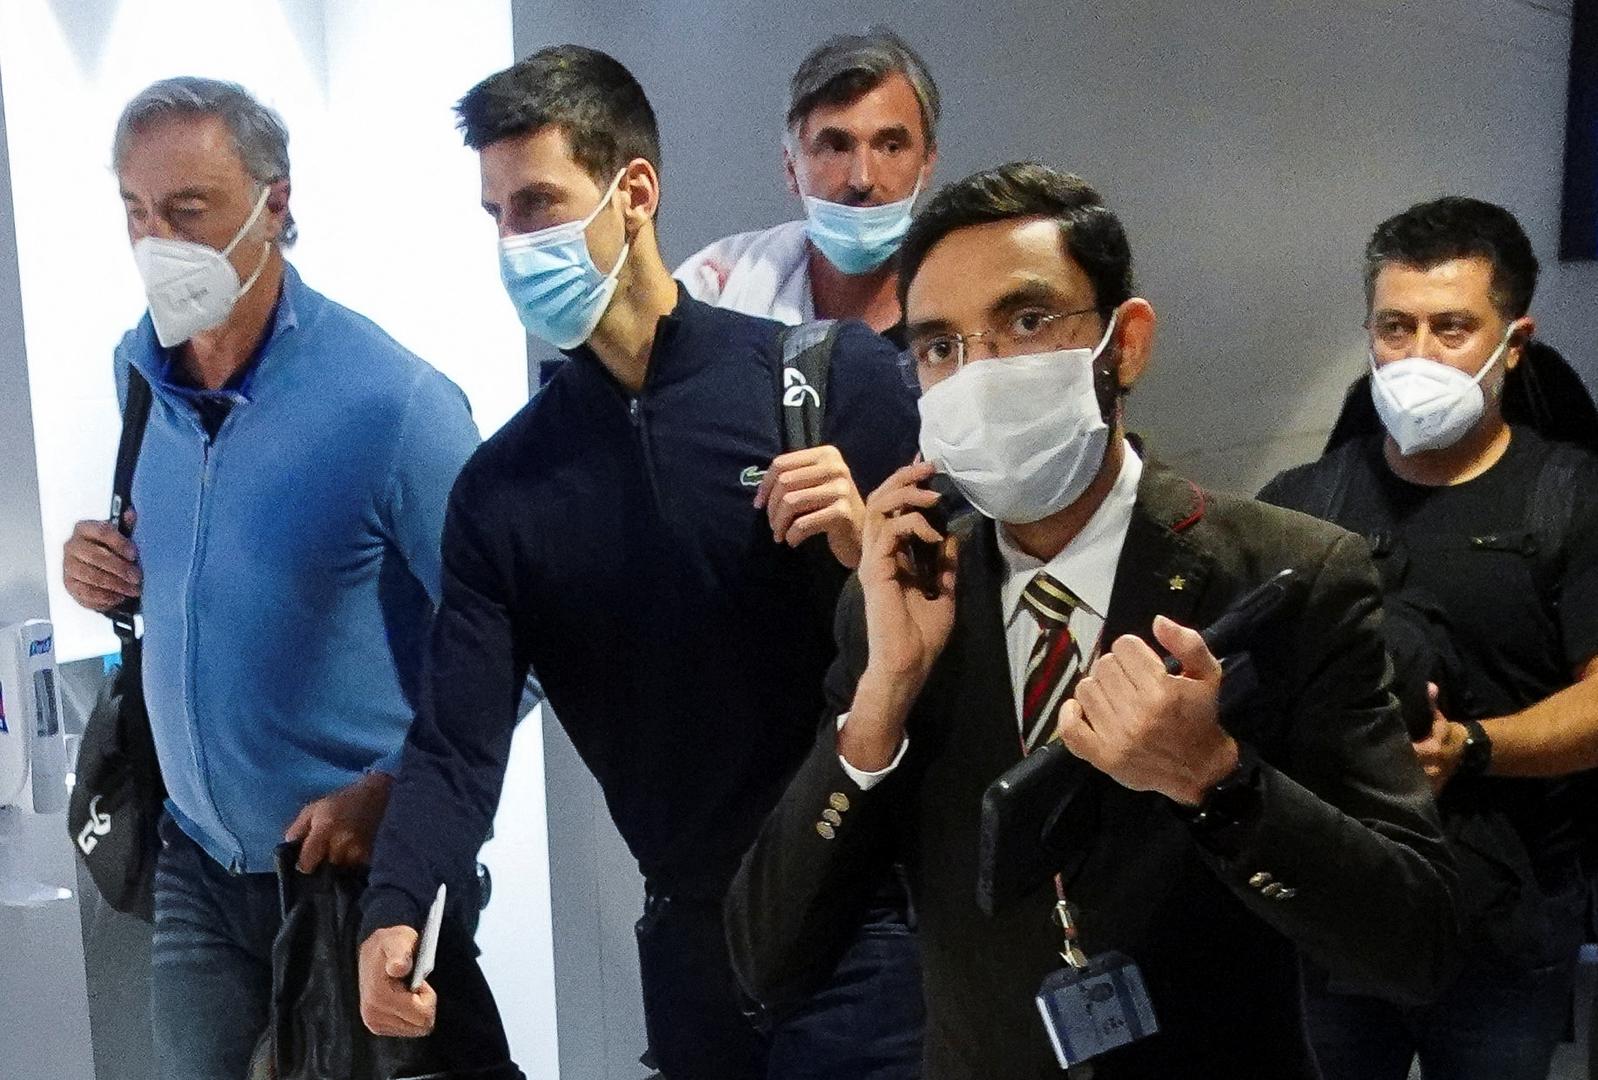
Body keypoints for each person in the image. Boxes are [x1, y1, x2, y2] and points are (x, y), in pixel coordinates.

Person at [724, 162, 1459, 1079]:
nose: (979, 372)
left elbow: (1418, 945)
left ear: (1126, 343)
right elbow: (768, 960)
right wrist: (880, 704)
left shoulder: (1288, 576)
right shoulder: (902, 594)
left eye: (1028, 323)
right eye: (941, 346)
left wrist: (1217, 781)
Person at [356, 47, 923, 1079]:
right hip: (694, 945)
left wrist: (861, 554)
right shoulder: (504, 490)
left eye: (537, 203)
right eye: (496, 215)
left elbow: (957, 642)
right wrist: (398, 906)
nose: (514, 242)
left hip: (869, 919)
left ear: (635, 192)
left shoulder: (829, 384)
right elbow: (456, 742)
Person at [60, 78, 511, 1080]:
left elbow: (508, 645)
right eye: (136, 211)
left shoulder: (395, 405)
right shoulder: (139, 374)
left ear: (275, 203)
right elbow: (202, 563)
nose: (156, 243)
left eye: (188, 211)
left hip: (352, 876)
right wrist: (101, 571)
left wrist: (392, 789)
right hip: (193, 858)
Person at [1259, 196, 1598, 1080]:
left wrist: (1471, 748)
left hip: (1504, 921)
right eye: (1395, 327)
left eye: (1452, 329)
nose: (1417, 355)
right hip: (1338, 912)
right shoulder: (1301, 502)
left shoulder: (1571, 499)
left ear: (1513, 344)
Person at [676, 27, 938, 344]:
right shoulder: (717, 287)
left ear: (927, 164)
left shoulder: (966, 296)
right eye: (836, 147)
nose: (862, 179)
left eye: (891, 147)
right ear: (791, 168)